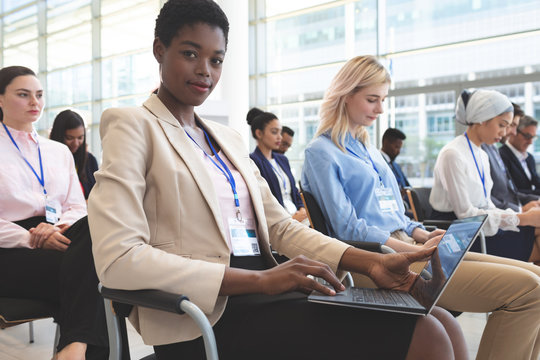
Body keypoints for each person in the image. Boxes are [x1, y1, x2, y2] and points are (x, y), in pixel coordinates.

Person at [88, 2, 467, 359]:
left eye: (216, 60)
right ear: (159, 50)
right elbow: (119, 259)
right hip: (206, 314)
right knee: (426, 334)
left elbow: (280, 226)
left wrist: (371, 263)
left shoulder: (227, 139)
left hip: (271, 290)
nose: (205, 69)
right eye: (190, 54)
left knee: (443, 322)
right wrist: (262, 281)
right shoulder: (133, 125)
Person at [301, 56, 540, 360]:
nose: (381, 109)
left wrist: (420, 234)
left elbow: (396, 214)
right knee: (528, 292)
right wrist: (404, 246)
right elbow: (347, 227)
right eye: (372, 100)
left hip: (406, 246)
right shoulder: (321, 153)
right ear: (345, 96)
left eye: (383, 99)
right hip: (373, 259)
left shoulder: (368, 149)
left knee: (535, 276)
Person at [0, 66, 108, 360]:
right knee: (98, 283)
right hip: (10, 248)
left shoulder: (57, 152)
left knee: (94, 225)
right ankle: (75, 347)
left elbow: (77, 206)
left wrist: (55, 229)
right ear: (0, 99)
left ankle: (74, 348)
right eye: (23, 95)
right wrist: (30, 237)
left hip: (61, 237)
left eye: (39, 95)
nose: (34, 102)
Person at [430, 89, 540, 264]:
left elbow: (487, 205)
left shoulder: (482, 154)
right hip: (460, 234)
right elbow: (466, 214)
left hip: (481, 227)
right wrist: (523, 218)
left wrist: (521, 217)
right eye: (502, 125)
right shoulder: (452, 154)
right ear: (482, 117)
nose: (504, 133)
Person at [247, 108, 307, 223]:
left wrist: (302, 209)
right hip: (279, 223)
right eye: (274, 132)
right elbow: (263, 202)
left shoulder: (282, 159)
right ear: (259, 133)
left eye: (280, 132)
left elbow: (293, 190)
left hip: (298, 218)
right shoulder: (252, 161)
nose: (279, 137)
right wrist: (291, 220)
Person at [482, 103, 540, 212]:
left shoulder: (493, 149)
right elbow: (490, 198)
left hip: (511, 209)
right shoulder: (496, 153)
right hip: (504, 212)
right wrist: (520, 210)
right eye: (510, 125)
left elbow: (510, 192)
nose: (512, 132)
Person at [50, 109, 99, 199]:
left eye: (80, 138)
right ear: (58, 135)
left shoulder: (90, 160)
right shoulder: (47, 160)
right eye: (70, 138)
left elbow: (98, 193)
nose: (76, 143)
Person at [499, 114, 540, 196]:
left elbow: (536, 182)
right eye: (527, 136)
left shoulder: (529, 158)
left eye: (533, 137)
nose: (530, 142)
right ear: (514, 132)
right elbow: (512, 191)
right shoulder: (501, 156)